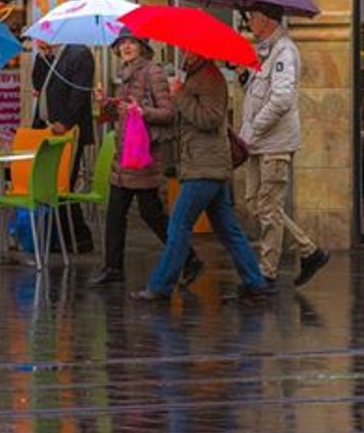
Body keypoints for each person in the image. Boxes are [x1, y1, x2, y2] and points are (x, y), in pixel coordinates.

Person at [133, 49, 269, 302]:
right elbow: (185, 119)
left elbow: (210, 118)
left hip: (205, 167)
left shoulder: (210, 78)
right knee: (229, 229)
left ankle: (161, 285)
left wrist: (181, 95)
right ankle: (254, 282)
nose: (184, 54)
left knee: (179, 225)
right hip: (204, 165)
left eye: (188, 50)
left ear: (201, 53)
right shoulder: (197, 76)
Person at [90, 29, 201, 287]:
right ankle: (113, 268)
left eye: (132, 42)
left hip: (143, 156)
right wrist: (106, 103)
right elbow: (122, 113)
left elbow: (168, 112)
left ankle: (189, 257)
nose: (127, 47)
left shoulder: (152, 71)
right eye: (122, 43)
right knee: (116, 212)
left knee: (152, 214)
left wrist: (142, 111)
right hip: (126, 155)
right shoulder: (126, 74)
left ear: (142, 46)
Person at [239, 3, 329, 287]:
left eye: (252, 17)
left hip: (273, 143)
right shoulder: (265, 52)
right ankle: (309, 250)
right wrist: (245, 77)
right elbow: (259, 94)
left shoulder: (284, 52)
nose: (249, 23)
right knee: (257, 204)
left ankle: (267, 272)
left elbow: (281, 99)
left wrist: (254, 128)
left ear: (265, 19)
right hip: (257, 143)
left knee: (268, 207)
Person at [31, 41, 95, 251]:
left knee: (63, 182)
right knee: (57, 183)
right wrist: (43, 58)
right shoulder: (51, 57)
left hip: (68, 131)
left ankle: (73, 237)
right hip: (48, 130)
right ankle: (71, 237)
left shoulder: (79, 53)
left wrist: (67, 121)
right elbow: (38, 85)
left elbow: (80, 92)